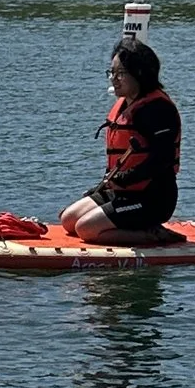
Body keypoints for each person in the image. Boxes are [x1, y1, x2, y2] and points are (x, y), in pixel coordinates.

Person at [59, 34, 182, 242]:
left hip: (152, 198)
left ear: (140, 73)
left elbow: (163, 160)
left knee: (86, 229)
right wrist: (107, 184)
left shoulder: (158, 109)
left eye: (120, 73)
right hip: (123, 193)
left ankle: (153, 234)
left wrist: (127, 178)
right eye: (111, 72)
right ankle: (127, 224)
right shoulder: (127, 104)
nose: (113, 79)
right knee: (68, 220)